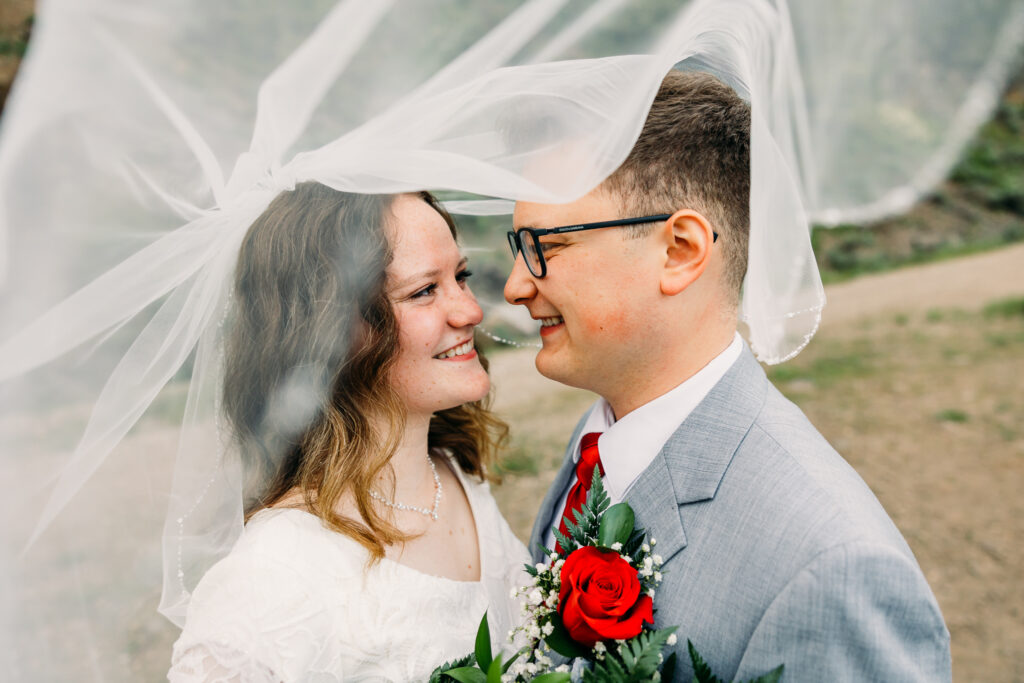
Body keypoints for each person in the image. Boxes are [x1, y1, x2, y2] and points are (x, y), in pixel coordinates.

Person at [504, 70, 952, 681]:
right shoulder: (602, 437)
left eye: (545, 247)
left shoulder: (831, 568)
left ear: (680, 251)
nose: (516, 286)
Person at [168, 183, 529, 682]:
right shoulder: (271, 579)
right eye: (424, 290)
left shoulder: (454, 472)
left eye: (460, 276)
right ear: (330, 331)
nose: (470, 310)